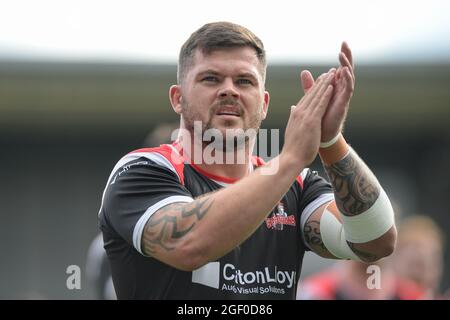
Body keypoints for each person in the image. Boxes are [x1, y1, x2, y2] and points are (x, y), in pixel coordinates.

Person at [98, 21, 397, 299]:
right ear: (178, 98)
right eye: (211, 78)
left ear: (264, 103)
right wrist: (290, 158)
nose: (229, 90)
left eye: (244, 81)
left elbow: (375, 242)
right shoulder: (142, 170)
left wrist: (331, 142)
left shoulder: (298, 186)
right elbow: (189, 245)